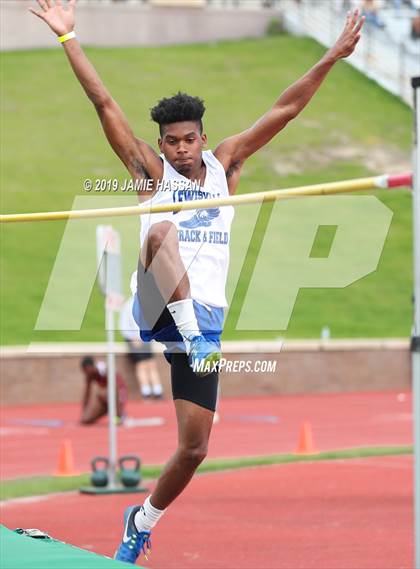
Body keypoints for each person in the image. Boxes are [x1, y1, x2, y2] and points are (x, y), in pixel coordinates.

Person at [30, 1, 364, 563]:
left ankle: (141, 520)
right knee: (161, 231)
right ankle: (196, 339)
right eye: (171, 141)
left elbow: (284, 109)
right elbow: (103, 101)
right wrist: (70, 39)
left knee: (194, 448)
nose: (180, 149)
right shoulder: (148, 171)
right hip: (161, 304)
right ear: (159, 143)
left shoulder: (225, 164)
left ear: (202, 137)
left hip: (205, 316)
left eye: (188, 140)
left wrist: (331, 56)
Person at [119, 298, 164, 400]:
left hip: (145, 338)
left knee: (151, 363)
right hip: (134, 340)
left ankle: (157, 390)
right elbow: (124, 324)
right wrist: (132, 338)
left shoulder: (145, 305)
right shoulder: (128, 306)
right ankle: (146, 391)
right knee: (141, 364)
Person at [80, 356, 127, 425]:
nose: (85, 373)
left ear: (88, 367)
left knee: (101, 393)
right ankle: (108, 409)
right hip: (107, 400)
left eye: (85, 370)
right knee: (85, 419)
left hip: (119, 392)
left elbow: (115, 385)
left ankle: (119, 414)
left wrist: (119, 406)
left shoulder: (102, 369)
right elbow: (87, 394)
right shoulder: (89, 376)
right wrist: (84, 410)